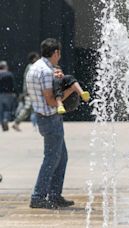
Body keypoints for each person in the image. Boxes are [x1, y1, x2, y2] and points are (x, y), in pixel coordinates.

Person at [26, 38, 76, 209]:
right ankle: (38, 196)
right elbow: (51, 101)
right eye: (59, 54)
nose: (59, 57)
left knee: (61, 157)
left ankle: (54, 195)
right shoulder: (46, 71)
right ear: (55, 53)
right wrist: (71, 90)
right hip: (50, 119)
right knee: (52, 159)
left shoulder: (35, 67)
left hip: (43, 118)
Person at [12, 52, 40, 131]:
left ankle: (35, 125)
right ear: (33, 59)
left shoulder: (31, 67)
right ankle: (17, 122)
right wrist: (27, 91)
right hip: (31, 92)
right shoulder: (31, 67)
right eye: (37, 58)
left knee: (32, 109)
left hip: (32, 91)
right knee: (28, 108)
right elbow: (28, 80)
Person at [0, 61, 17, 131]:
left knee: (1, 110)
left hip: (0, 94)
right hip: (8, 94)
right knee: (7, 109)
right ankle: (5, 120)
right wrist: (16, 93)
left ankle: (2, 122)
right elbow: (13, 85)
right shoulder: (9, 74)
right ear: (5, 66)